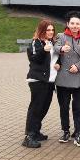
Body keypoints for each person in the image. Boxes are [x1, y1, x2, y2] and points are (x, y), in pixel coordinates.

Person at [54, 11, 80, 146]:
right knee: (64, 107)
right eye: (72, 23)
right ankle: (65, 131)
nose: (75, 26)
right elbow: (55, 47)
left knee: (79, 108)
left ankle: (79, 133)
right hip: (63, 77)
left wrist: (78, 66)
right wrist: (61, 49)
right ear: (68, 24)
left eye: (77, 23)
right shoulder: (61, 36)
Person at [23, 20, 59, 148]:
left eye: (52, 30)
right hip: (38, 80)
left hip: (50, 81)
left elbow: (55, 59)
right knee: (36, 108)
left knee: (44, 107)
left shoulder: (52, 42)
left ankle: (36, 131)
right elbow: (33, 59)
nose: (51, 32)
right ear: (42, 30)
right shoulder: (36, 42)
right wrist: (43, 50)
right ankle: (29, 136)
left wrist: (58, 64)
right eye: (48, 30)